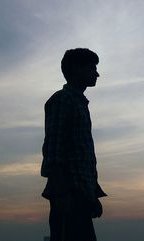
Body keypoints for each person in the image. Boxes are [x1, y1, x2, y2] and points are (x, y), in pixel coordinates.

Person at [41, 48, 107, 241]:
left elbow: (84, 157)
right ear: (77, 69)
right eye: (92, 68)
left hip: (81, 194)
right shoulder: (63, 100)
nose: (97, 73)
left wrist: (93, 196)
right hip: (68, 194)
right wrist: (62, 195)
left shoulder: (79, 103)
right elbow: (54, 151)